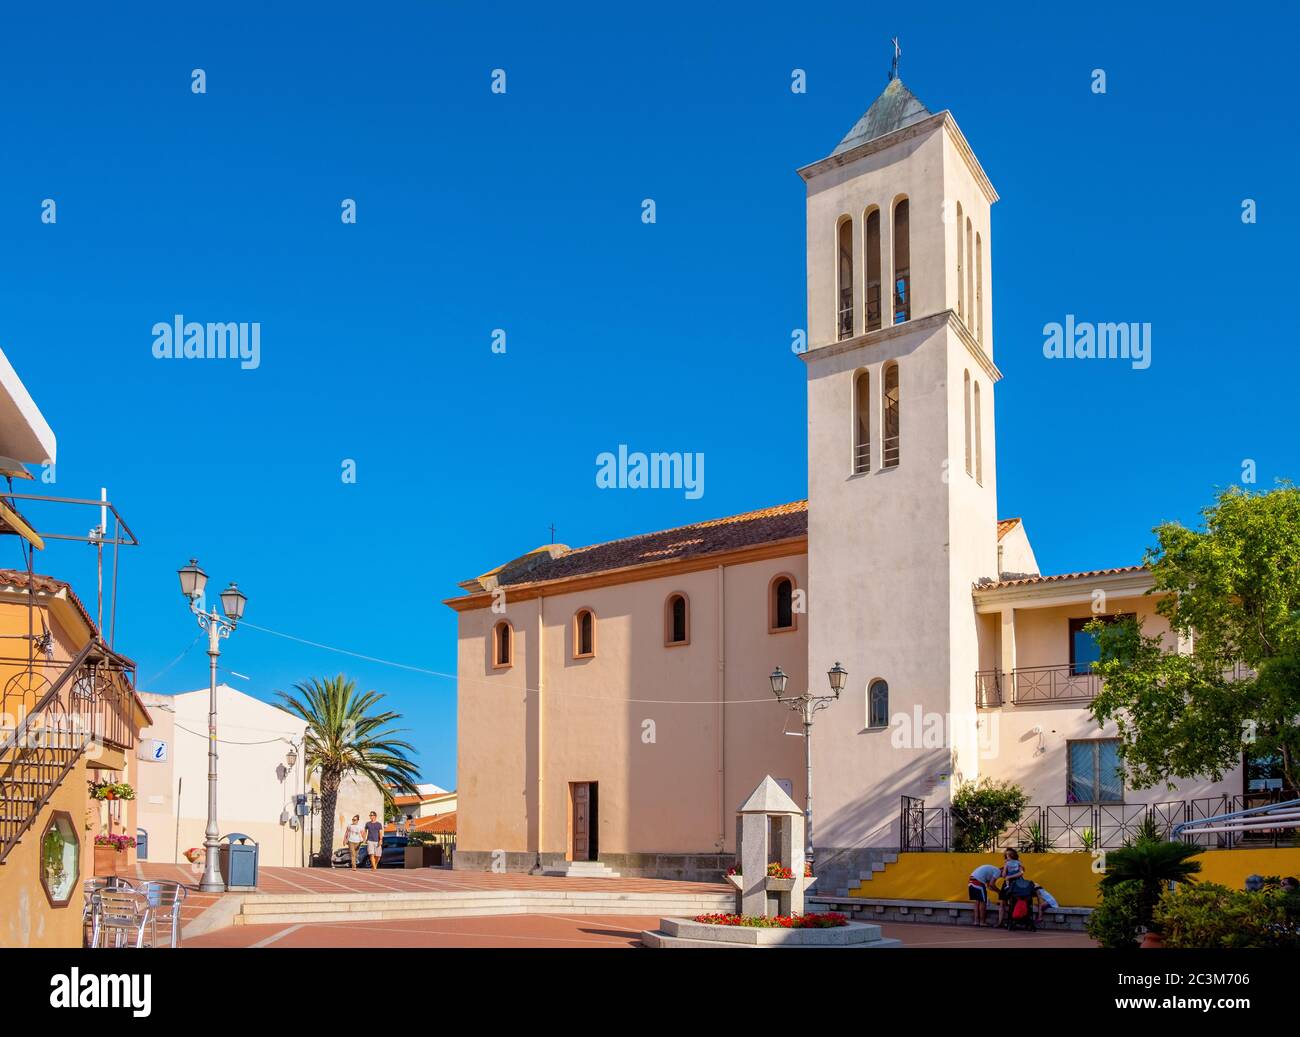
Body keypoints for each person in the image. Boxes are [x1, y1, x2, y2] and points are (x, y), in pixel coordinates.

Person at [996, 849, 1024, 926]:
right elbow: (1004, 875)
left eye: (1007, 855)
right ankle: (1001, 922)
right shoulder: (1009, 863)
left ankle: (1011, 922)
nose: (1007, 857)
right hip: (1011, 883)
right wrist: (1005, 867)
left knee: (1013, 902)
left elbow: (1021, 873)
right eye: (1006, 855)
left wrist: (1009, 876)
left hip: (1015, 883)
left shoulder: (1018, 862)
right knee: (1003, 902)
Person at [968, 862, 1001, 926]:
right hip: (978, 882)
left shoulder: (992, 871)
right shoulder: (998, 871)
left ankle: (976, 921)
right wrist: (999, 891)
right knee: (983, 902)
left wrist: (996, 891)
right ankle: (982, 922)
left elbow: (989, 886)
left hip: (971, 880)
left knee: (977, 901)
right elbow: (992, 884)